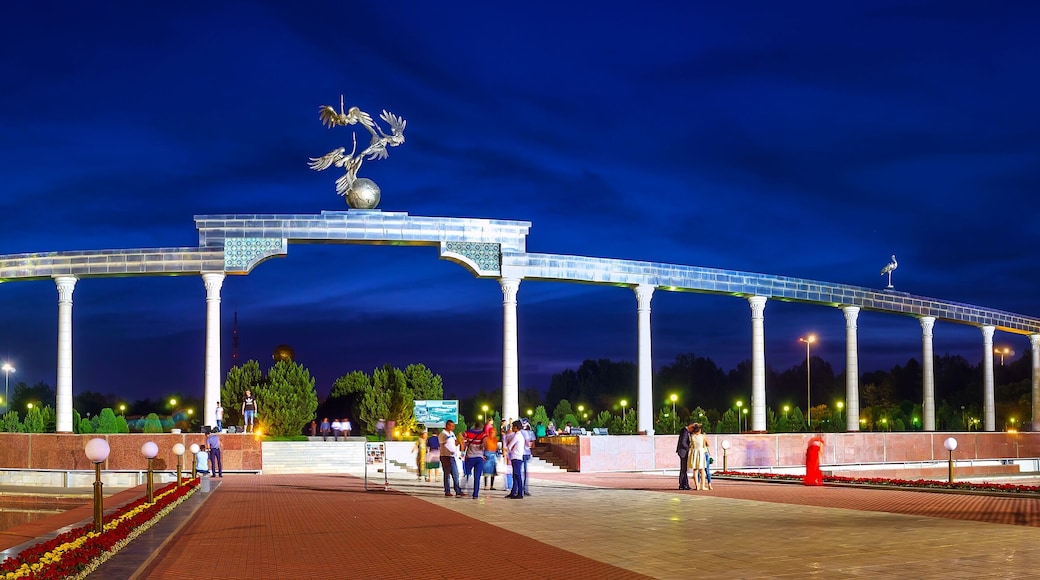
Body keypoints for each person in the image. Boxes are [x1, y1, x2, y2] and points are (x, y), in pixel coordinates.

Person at [438, 420, 465, 497]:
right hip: (445, 456)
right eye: (452, 426)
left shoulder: (452, 434)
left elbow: (455, 443)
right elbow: (442, 445)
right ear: (447, 425)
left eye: (453, 426)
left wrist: (460, 440)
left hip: (452, 456)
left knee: (455, 474)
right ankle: (447, 491)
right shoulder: (442, 434)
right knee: (447, 474)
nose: (453, 427)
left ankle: (458, 490)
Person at [463, 428, 487, 498]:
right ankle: (475, 494)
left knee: (467, 475)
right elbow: (484, 445)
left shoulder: (468, 433)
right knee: (477, 477)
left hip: (469, 457)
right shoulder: (483, 434)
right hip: (479, 458)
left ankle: (464, 490)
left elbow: (463, 442)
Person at [504, 420, 525, 499]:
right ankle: (513, 492)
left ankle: (520, 493)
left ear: (516, 427)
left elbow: (509, 446)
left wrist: (509, 448)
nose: (512, 428)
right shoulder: (519, 435)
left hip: (516, 457)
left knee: (517, 475)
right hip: (517, 457)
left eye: (513, 427)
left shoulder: (517, 436)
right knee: (515, 475)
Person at [688, 424, 708, 491]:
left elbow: (691, 445)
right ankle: (703, 486)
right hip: (701, 452)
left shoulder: (691, 436)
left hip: (694, 453)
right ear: (699, 430)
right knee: (702, 470)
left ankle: (697, 486)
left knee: (695, 470)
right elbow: (707, 444)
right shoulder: (703, 436)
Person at [676, 421, 694, 490]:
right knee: (683, 469)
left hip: (683, 452)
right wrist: (688, 448)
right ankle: (682, 485)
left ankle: (685, 484)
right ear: (690, 426)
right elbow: (683, 442)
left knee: (684, 469)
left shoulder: (685, 431)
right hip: (683, 452)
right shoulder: (685, 431)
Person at [482, 420, 499, 490]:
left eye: (494, 432)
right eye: (491, 432)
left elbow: (497, 448)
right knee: (486, 471)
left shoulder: (495, 440)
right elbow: (482, 447)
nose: (493, 433)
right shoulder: (486, 439)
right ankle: (486, 485)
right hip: (487, 455)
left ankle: (492, 486)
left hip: (493, 456)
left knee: (493, 472)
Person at [521, 421, 535, 496]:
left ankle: (519, 489)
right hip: (526, 453)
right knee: (524, 472)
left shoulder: (520, 432)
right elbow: (532, 444)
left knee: (519, 472)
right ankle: (524, 489)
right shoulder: (530, 433)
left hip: (521, 454)